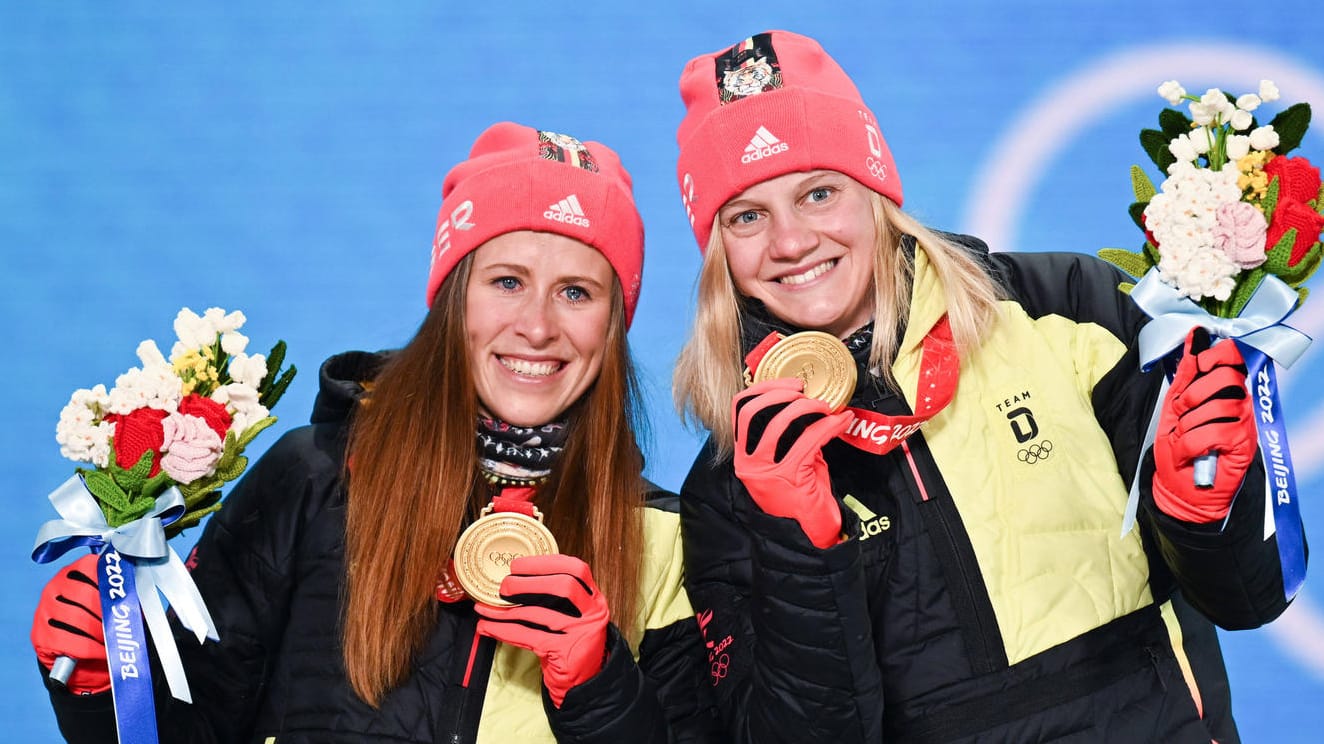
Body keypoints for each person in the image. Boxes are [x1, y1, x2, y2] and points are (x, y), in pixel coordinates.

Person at [671, 30, 1297, 743]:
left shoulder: (1069, 307)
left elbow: (1250, 595)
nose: (790, 241)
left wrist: (1202, 511)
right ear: (718, 249)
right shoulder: (731, 484)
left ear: (876, 192)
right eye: (747, 216)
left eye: (818, 193)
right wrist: (797, 549)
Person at [33, 122, 720, 743]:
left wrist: (602, 693)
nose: (538, 326)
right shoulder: (312, 479)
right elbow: (194, 730)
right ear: (454, 299)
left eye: (577, 292)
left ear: (613, 323)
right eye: (507, 281)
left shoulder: (663, 537)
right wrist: (99, 684)